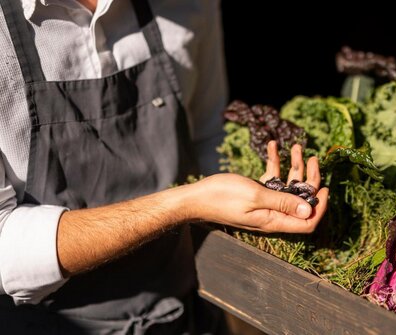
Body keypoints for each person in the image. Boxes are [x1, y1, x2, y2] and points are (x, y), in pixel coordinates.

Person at [0, 0, 328, 333]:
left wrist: (251, 199)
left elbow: (206, 136)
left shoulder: (189, 7)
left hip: (188, 313)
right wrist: (187, 203)